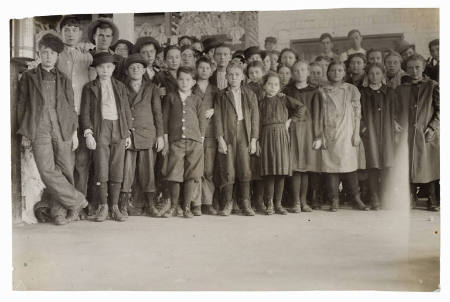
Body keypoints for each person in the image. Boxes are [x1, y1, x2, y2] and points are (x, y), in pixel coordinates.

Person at [17, 33, 88, 225]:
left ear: (57, 56)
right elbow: (22, 106)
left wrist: (74, 132)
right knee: (46, 169)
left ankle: (59, 213)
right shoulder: (29, 77)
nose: (48, 56)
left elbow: (71, 107)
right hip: (39, 128)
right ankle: (77, 201)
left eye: (52, 53)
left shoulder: (64, 79)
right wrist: (25, 132)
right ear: (39, 54)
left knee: (65, 169)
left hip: (62, 127)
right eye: (44, 52)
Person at [80, 52, 133, 222]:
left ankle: (115, 206)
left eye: (108, 67)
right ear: (96, 68)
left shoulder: (120, 86)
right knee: (101, 167)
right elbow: (86, 112)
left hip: (118, 128)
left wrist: (127, 133)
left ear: (114, 68)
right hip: (100, 128)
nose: (105, 70)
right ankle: (103, 206)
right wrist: (88, 132)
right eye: (101, 67)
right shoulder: (89, 87)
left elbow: (126, 111)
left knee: (117, 167)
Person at [319, 61, 369, 212]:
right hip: (329, 131)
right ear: (328, 72)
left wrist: (356, 134)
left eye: (339, 70)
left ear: (344, 72)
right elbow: (319, 115)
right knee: (331, 166)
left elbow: (357, 113)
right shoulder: (322, 91)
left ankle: (356, 198)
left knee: (350, 167)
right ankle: (334, 198)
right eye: (333, 70)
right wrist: (321, 134)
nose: (336, 73)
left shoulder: (351, 89)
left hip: (347, 131)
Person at [119, 54, 164, 218]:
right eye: (132, 67)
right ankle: (123, 204)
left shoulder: (151, 88)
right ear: (127, 71)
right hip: (129, 134)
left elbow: (158, 113)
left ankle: (150, 204)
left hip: (147, 134)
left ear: (144, 70)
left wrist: (160, 136)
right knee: (127, 171)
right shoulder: (121, 87)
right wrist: (125, 132)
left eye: (139, 67)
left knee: (148, 171)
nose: (136, 69)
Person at [56, 15, 93, 217]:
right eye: (67, 30)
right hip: (61, 116)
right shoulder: (55, 56)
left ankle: (80, 205)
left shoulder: (87, 57)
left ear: (80, 33)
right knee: (64, 162)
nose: (70, 34)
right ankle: (66, 205)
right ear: (61, 32)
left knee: (82, 162)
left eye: (74, 30)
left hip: (82, 114)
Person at [214, 61, 259, 216]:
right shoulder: (221, 95)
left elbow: (255, 118)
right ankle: (228, 202)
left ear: (243, 77)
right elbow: (218, 117)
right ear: (226, 76)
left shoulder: (250, 94)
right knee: (228, 168)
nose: (233, 77)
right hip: (228, 133)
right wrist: (220, 138)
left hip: (244, 134)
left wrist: (253, 139)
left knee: (245, 168)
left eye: (237, 75)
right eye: (230, 75)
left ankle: (245, 202)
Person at [396, 54, 439, 211]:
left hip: (426, 131)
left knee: (429, 164)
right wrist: (396, 123)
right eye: (410, 68)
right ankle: (410, 196)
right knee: (409, 164)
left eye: (417, 67)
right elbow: (396, 110)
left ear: (423, 67)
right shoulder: (401, 89)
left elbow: (441, 110)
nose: (414, 71)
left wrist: (433, 127)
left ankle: (432, 198)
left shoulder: (433, 86)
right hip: (407, 132)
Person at [162, 66, 206, 218]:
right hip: (176, 141)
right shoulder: (170, 97)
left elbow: (202, 120)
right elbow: (164, 119)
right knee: (174, 172)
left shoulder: (197, 99)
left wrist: (201, 140)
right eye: (181, 79)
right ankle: (174, 207)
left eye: (188, 79)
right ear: (177, 80)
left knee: (192, 174)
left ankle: (187, 207)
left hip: (194, 142)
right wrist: (166, 140)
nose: (184, 82)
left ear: (193, 82)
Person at [260, 72, 306, 215]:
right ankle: (269, 205)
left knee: (280, 171)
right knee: (269, 172)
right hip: (266, 136)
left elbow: (301, 108)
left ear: (280, 87)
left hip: (281, 136)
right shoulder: (260, 102)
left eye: (276, 84)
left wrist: (290, 120)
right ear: (264, 85)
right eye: (269, 84)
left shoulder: (284, 99)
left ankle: (278, 204)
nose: (272, 87)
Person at [360, 63, 400, 210]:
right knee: (373, 165)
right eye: (371, 73)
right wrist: (362, 127)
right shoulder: (362, 93)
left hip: (387, 131)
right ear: (367, 75)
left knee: (387, 164)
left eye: (377, 73)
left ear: (382, 75)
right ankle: (374, 196)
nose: (374, 76)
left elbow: (396, 111)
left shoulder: (390, 92)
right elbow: (357, 113)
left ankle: (385, 196)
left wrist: (395, 122)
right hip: (369, 131)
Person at [284, 61, 323, 212]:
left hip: (308, 132)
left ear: (308, 72)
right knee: (294, 167)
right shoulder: (287, 91)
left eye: (303, 70)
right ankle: (295, 203)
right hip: (292, 131)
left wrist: (318, 136)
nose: (300, 73)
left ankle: (304, 201)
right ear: (293, 74)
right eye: (296, 70)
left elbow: (318, 115)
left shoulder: (315, 92)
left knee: (305, 167)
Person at [193, 57, 219, 215]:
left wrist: (215, 110)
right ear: (196, 69)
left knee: (208, 170)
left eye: (207, 68)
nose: (204, 70)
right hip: (195, 133)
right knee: (196, 169)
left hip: (210, 134)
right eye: (201, 67)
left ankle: (208, 202)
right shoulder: (191, 87)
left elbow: (223, 108)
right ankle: (195, 202)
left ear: (211, 70)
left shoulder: (215, 90)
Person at [246, 61, 267, 214]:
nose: (254, 75)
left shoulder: (267, 89)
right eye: (251, 73)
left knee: (262, 167)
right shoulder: (245, 89)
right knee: (250, 166)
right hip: (251, 130)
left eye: (257, 72)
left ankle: (260, 199)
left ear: (263, 72)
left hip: (265, 129)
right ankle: (249, 198)